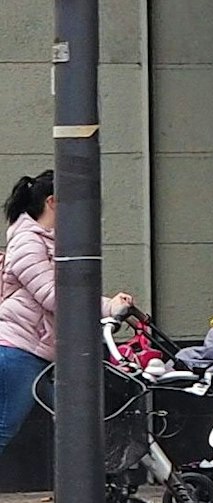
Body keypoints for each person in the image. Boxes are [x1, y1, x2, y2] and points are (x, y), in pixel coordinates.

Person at [0, 170, 133, 458]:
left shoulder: (49, 242)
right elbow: (55, 297)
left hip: (37, 353)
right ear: (52, 202)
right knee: (4, 428)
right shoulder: (28, 242)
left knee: (74, 424)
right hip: (19, 350)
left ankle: (91, 483)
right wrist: (108, 306)